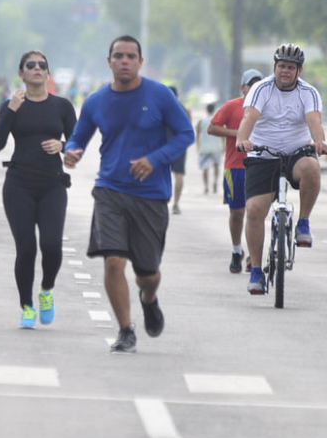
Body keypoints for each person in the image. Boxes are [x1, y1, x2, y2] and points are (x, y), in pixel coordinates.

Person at [64, 36, 193, 353]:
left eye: (131, 56)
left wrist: (154, 160)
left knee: (147, 275)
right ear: (109, 61)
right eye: (118, 56)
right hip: (111, 190)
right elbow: (77, 137)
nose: (124, 61)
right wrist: (71, 151)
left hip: (151, 196)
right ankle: (125, 330)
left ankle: (149, 300)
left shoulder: (159, 95)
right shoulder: (96, 101)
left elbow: (186, 133)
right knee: (113, 263)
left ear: (140, 61)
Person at [0, 51, 76, 328]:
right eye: (31, 65)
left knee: (51, 245)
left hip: (52, 184)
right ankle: (27, 307)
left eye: (42, 65)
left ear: (48, 74)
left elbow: (77, 142)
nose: (37, 69)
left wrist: (63, 146)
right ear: (21, 73)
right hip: (18, 185)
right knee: (26, 249)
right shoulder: (11, 105)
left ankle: (46, 290)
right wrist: (12, 110)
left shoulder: (62, 106)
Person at [235, 44, 327, 295]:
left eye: (290, 67)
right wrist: (242, 139)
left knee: (311, 167)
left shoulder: (308, 92)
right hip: (264, 153)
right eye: (281, 66)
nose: (285, 71)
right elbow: (249, 118)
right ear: (274, 67)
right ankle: (256, 271)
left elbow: (314, 120)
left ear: (299, 70)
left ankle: (303, 223)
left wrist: (319, 141)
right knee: (254, 210)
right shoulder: (261, 89)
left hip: (297, 151)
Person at [209, 69, 263, 273]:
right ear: (243, 87)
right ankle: (236, 250)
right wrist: (238, 133)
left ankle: (253, 255)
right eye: (251, 85)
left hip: (259, 166)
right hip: (235, 167)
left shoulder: (266, 108)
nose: (254, 88)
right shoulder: (232, 106)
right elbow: (212, 128)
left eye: (259, 84)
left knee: (255, 213)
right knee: (237, 212)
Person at [169, 86, 191, 214]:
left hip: (163, 146)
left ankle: (160, 200)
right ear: (177, 95)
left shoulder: (161, 108)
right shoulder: (184, 110)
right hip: (179, 146)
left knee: (159, 173)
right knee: (179, 174)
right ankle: (176, 204)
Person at [195, 103, 222, 195]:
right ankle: (215, 181)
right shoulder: (217, 121)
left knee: (205, 167)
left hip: (204, 147)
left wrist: (198, 145)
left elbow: (198, 134)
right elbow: (222, 134)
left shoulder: (201, 121)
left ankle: (206, 186)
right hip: (215, 147)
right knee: (216, 165)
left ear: (206, 110)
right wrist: (223, 146)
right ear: (214, 110)